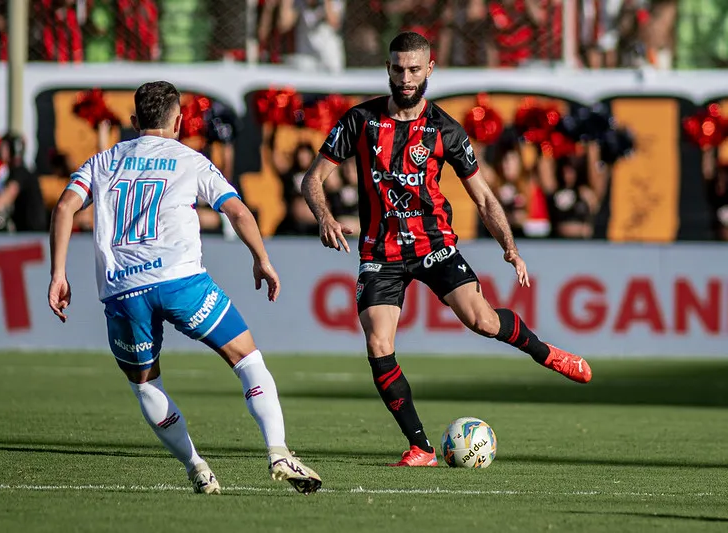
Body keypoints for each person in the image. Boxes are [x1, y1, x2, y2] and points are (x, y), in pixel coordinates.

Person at [301, 32, 592, 467]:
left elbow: (485, 198)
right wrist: (324, 217)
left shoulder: (445, 131)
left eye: (414, 69)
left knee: (484, 320)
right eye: (398, 69)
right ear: (387, 68)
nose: (405, 78)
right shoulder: (358, 121)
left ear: (429, 69)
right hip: (380, 252)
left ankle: (547, 353)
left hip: (434, 245)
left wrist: (509, 248)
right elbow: (312, 179)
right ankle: (420, 446)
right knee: (378, 344)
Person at [48, 81, 321, 495]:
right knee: (248, 361)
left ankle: (196, 467)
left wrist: (58, 273)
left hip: (124, 292)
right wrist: (262, 259)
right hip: (181, 282)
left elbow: (65, 207)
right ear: (178, 121)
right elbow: (236, 209)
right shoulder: (189, 159)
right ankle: (278, 451)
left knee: (146, 385)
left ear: (134, 121)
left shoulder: (102, 161)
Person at [0, 133, 47, 232]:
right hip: (27, 231)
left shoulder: (19, 171)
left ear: (13, 150)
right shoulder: (18, 171)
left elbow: (9, 194)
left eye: (3, 148)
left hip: (31, 232)